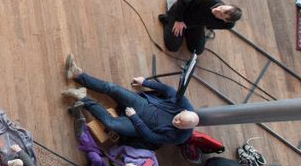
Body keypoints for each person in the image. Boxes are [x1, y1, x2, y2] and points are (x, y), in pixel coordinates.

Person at [63, 56, 199, 147]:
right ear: (184, 111)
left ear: (187, 129)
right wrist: (145, 82)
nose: (177, 122)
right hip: (143, 104)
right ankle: (77, 75)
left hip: (139, 126)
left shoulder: (180, 137)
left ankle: (82, 98)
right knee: (112, 88)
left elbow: (152, 137)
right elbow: (167, 90)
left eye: (181, 125)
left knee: (112, 124)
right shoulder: (184, 104)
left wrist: (135, 118)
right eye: (180, 118)